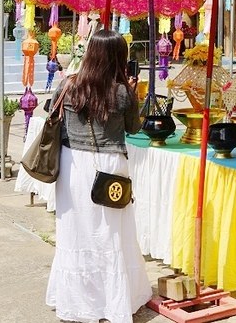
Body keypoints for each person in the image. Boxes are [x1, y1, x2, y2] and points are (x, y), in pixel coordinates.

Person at [46, 29, 147, 323]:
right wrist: (132, 92)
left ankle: (76, 300)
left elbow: (49, 112)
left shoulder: (68, 85)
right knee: (111, 232)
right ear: (119, 57)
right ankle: (111, 301)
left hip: (72, 164)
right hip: (110, 165)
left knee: (75, 229)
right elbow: (135, 129)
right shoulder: (122, 91)